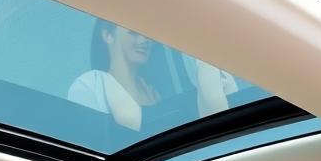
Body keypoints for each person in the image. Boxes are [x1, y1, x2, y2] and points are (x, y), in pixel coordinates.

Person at [67, 18, 236, 131]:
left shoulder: (156, 93)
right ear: (107, 35)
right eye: (133, 32)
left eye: (147, 32)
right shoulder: (90, 86)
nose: (144, 40)